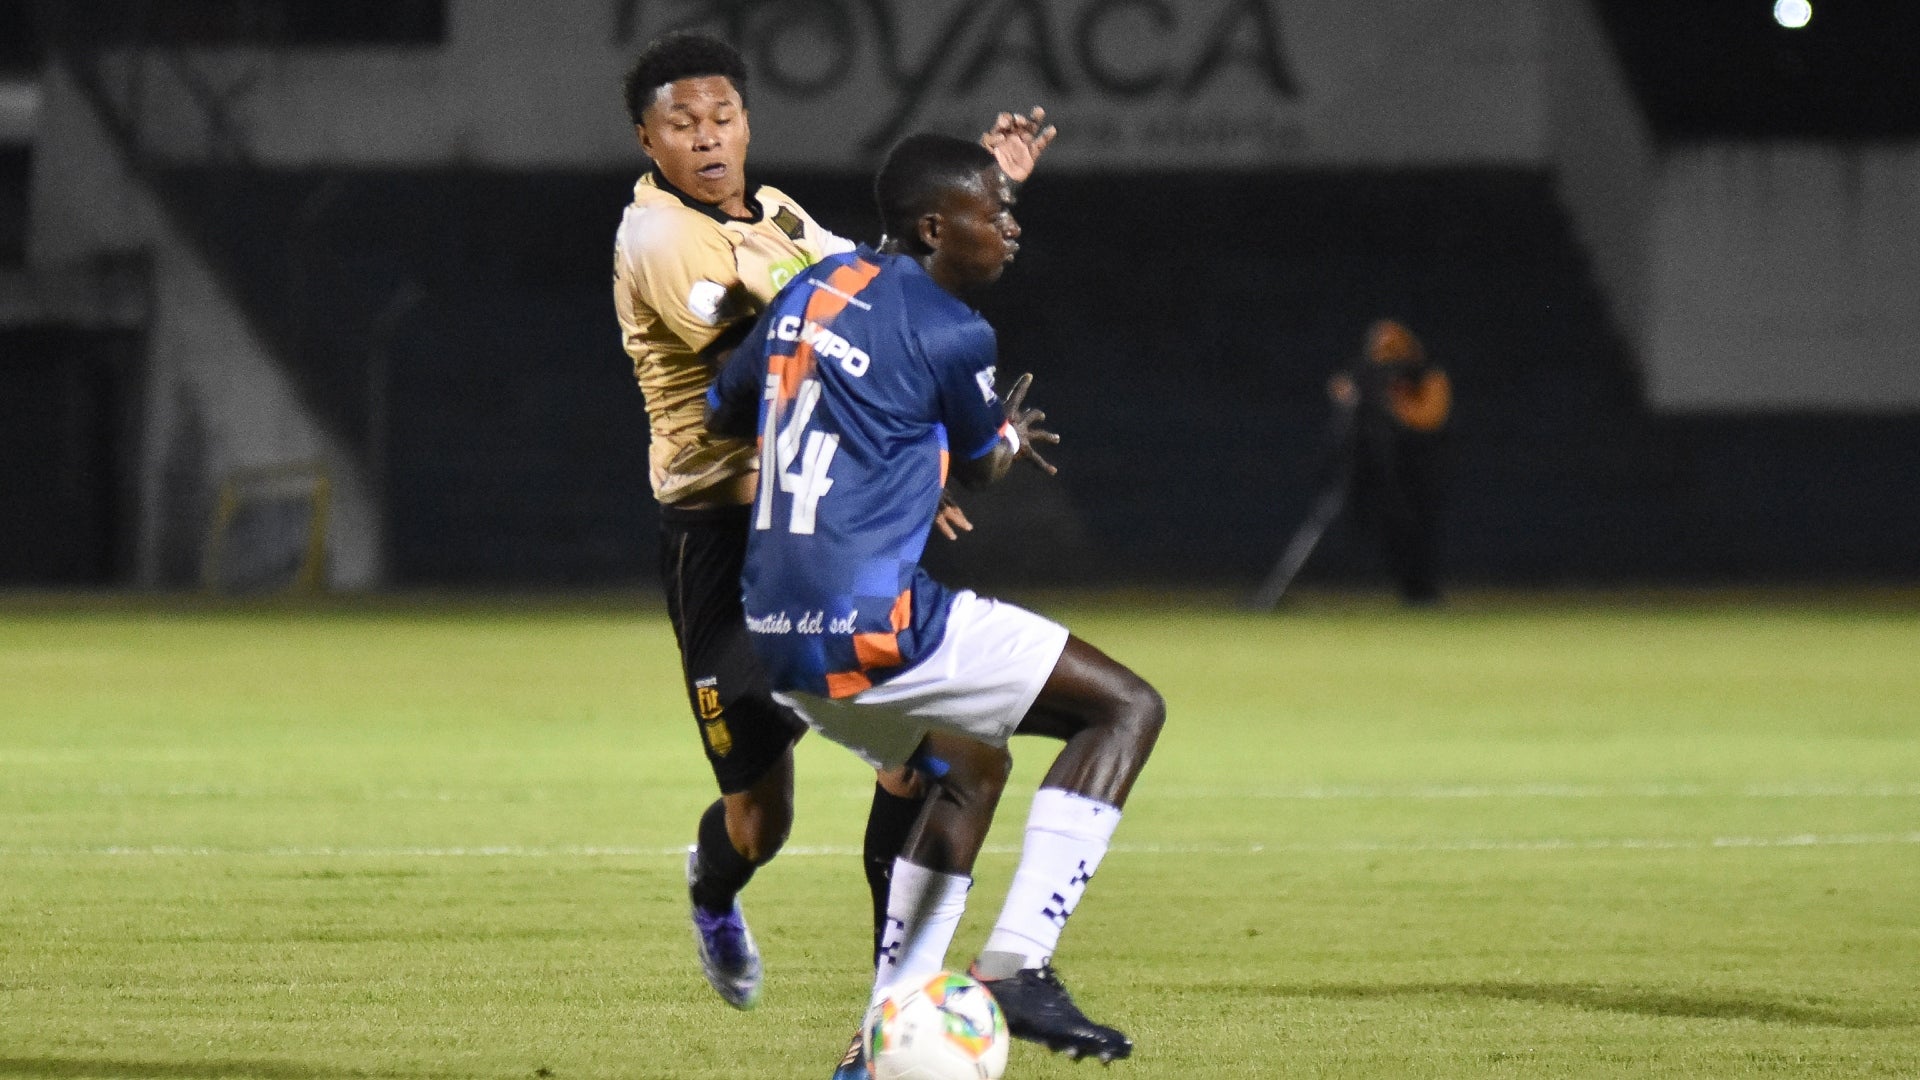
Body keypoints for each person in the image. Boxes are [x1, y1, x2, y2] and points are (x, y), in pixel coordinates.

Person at [610, 33, 1057, 1011]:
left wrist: (974, 198)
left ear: (746, 121)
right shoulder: (657, 240)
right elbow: (779, 351)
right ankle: (713, 888)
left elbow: (884, 292)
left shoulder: (776, 214)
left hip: (817, 529)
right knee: (759, 820)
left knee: (935, 759)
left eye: (723, 116)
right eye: (683, 124)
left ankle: (888, 1017)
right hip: (722, 550)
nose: (710, 137)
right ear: (648, 138)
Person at [708, 133, 1165, 1076]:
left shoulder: (807, 292)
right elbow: (985, 466)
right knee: (1126, 708)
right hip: (875, 626)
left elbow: (727, 407)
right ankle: (1017, 965)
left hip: (780, 640)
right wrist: (997, 441)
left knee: (969, 769)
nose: (1010, 226)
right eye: (992, 212)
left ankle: (876, 1044)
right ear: (932, 227)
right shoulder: (955, 329)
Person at [1326, 318, 1452, 604]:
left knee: (1419, 530)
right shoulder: (1368, 375)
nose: (1386, 356)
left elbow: (1430, 418)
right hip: (1386, 468)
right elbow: (1345, 393)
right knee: (1390, 527)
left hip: (1420, 469)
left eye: (1392, 348)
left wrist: (1394, 404)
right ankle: (1410, 590)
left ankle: (1423, 591)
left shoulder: (1426, 375)